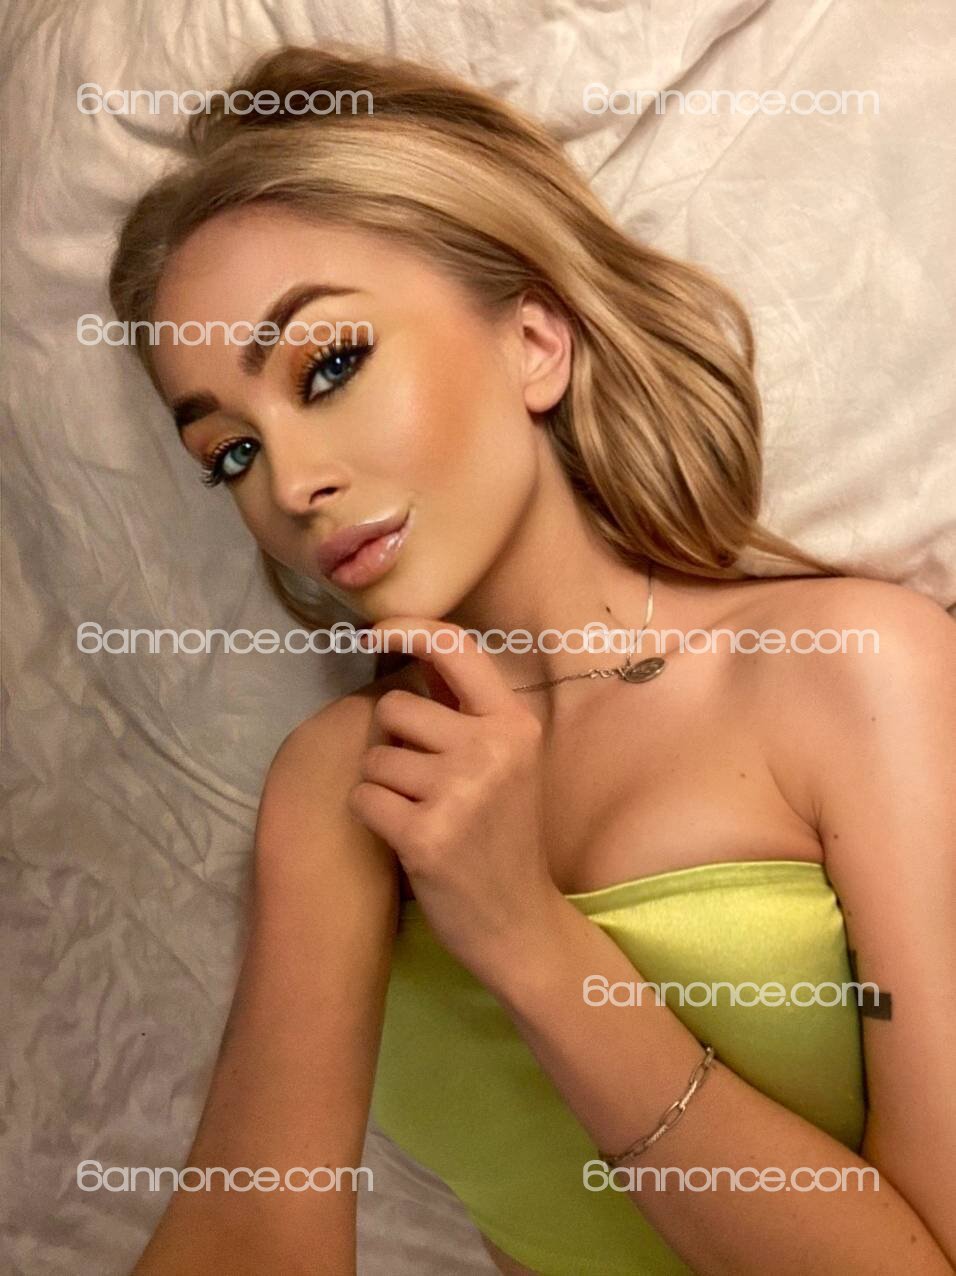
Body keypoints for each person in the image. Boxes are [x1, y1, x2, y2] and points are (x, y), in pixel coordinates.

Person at [109, 45, 956, 1276]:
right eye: (229, 453)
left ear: (533, 341)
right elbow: (249, 1231)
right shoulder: (338, 783)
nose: (289, 485)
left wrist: (526, 939)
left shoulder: (853, 671)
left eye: (328, 367)